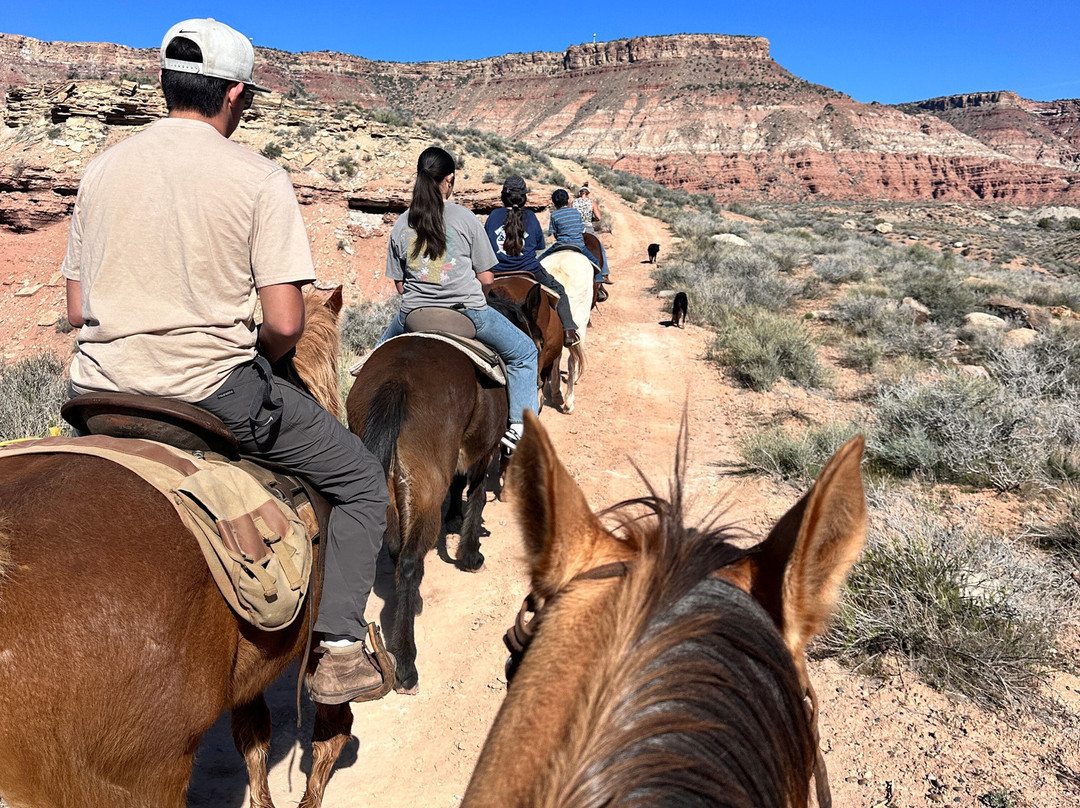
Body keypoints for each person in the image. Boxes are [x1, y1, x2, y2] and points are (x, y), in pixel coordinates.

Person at [61, 18, 393, 706]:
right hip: (209, 390)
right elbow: (286, 323)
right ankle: (337, 648)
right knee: (362, 479)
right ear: (235, 93)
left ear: (165, 81)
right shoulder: (257, 176)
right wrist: (260, 359)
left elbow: (73, 310)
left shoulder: (100, 170)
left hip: (96, 392)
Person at [379, 147, 538, 453]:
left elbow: (400, 286)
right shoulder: (465, 218)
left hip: (413, 315)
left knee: (373, 359)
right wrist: (476, 299)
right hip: (466, 314)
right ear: (449, 179)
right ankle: (519, 427)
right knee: (524, 353)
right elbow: (487, 278)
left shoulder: (402, 223)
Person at [485, 176, 580, 347]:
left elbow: (485, 244)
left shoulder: (493, 216)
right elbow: (539, 245)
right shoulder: (530, 216)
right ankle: (569, 330)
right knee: (559, 290)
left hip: (497, 271)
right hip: (529, 269)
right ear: (524, 197)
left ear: (503, 196)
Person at [548, 188, 608, 284]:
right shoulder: (576, 212)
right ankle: (599, 280)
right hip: (579, 244)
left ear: (554, 202)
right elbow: (581, 228)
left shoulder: (554, 215)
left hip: (561, 244)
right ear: (567, 200)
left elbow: (554, 233)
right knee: (596, 261)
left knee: (540, 260)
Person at [573, 184, 610, 281]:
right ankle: (604, 274)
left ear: (579, 193)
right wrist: (592, 219)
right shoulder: (591, 202)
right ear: (588, 194)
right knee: (601, 250)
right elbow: (599, 217)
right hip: (588, 228)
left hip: (576, 229)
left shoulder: (573, 202)